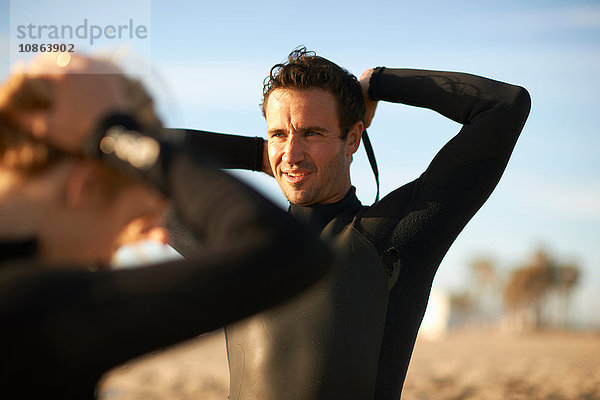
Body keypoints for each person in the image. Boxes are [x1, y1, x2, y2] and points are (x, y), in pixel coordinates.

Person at [169, 47, 531, 399]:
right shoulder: (243, 246)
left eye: (311, 133)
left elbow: (503, 106)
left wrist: (379, 83)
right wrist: (260, 156)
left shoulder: (394, 235)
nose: (291, 154)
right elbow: (128, 156)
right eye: (278, 134)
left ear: (352, 138)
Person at [0, 53, 333, 399]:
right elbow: (288, 251)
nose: (109, 257)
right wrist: (116, 132)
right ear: (83, 187)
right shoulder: (33, 308)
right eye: (121, 233)